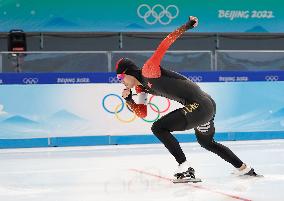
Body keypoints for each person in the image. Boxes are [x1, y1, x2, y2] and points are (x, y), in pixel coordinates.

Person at [115, 16, 259, 182]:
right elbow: (143, 113)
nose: (121, 81)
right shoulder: (141, 88)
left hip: (199, 106)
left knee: (158, 128)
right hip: (206, 105)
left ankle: (185, 167)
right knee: (207, 143)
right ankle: (244, 168)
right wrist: (129, 100)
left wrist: (186, 26)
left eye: (120, 77)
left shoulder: (148, 71)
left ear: (128, 72)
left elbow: (164, 45)